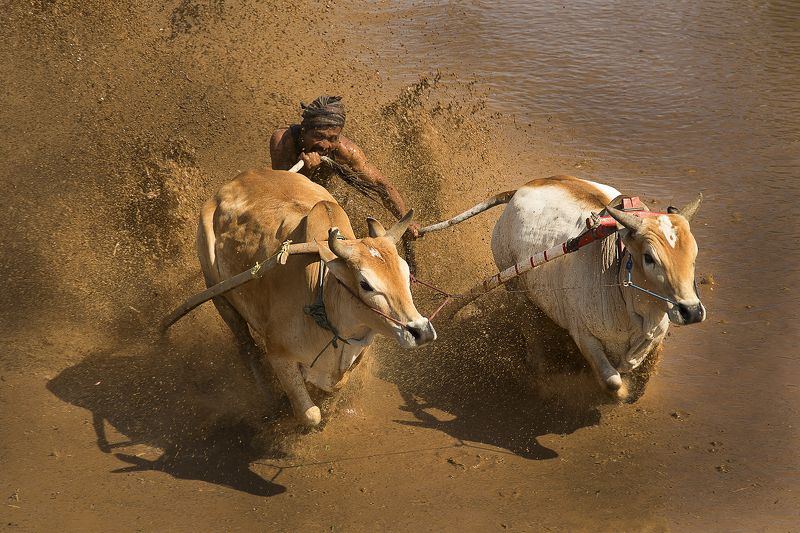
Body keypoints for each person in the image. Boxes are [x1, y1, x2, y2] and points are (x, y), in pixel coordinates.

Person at [269, 95, 420, 239]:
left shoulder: (345, 150)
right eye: (319, 136)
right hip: (287, 205)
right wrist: (306, 171)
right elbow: (283, 194)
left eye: (332, 138)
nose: (325, 145)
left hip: (320, 199)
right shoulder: (283, 141)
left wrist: (404, 221)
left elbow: (381, 184)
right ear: (304, 129)